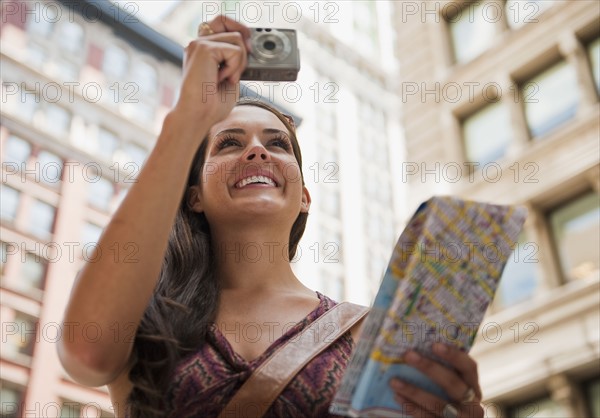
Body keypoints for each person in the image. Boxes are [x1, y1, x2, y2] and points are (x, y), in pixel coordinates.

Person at [58, 16, 485, 418]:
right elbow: (87, 354)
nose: (257, 150)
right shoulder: (144, 316)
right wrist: (190, 114)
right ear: (193, 197)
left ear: (304, 196)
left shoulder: (369, 335)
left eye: (277, 144)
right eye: (228, 143)